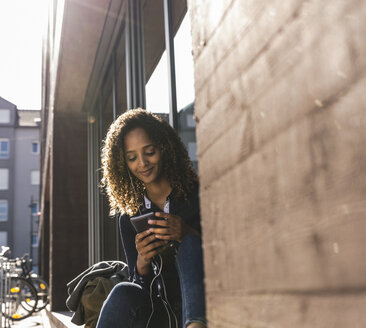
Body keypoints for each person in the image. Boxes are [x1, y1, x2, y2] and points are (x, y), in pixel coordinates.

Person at [97, 108, 206, 328]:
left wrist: (186, 232)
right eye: (132, 157)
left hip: (200, 304)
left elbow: (224, 252)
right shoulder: (129, 218)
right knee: (124, 290)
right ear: (123, 163)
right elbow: (140, 286)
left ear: (164, 148)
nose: (142, 163)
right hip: (159, 313)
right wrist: (142, 262)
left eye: (149, 151)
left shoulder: (196, 194)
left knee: (191, 242)